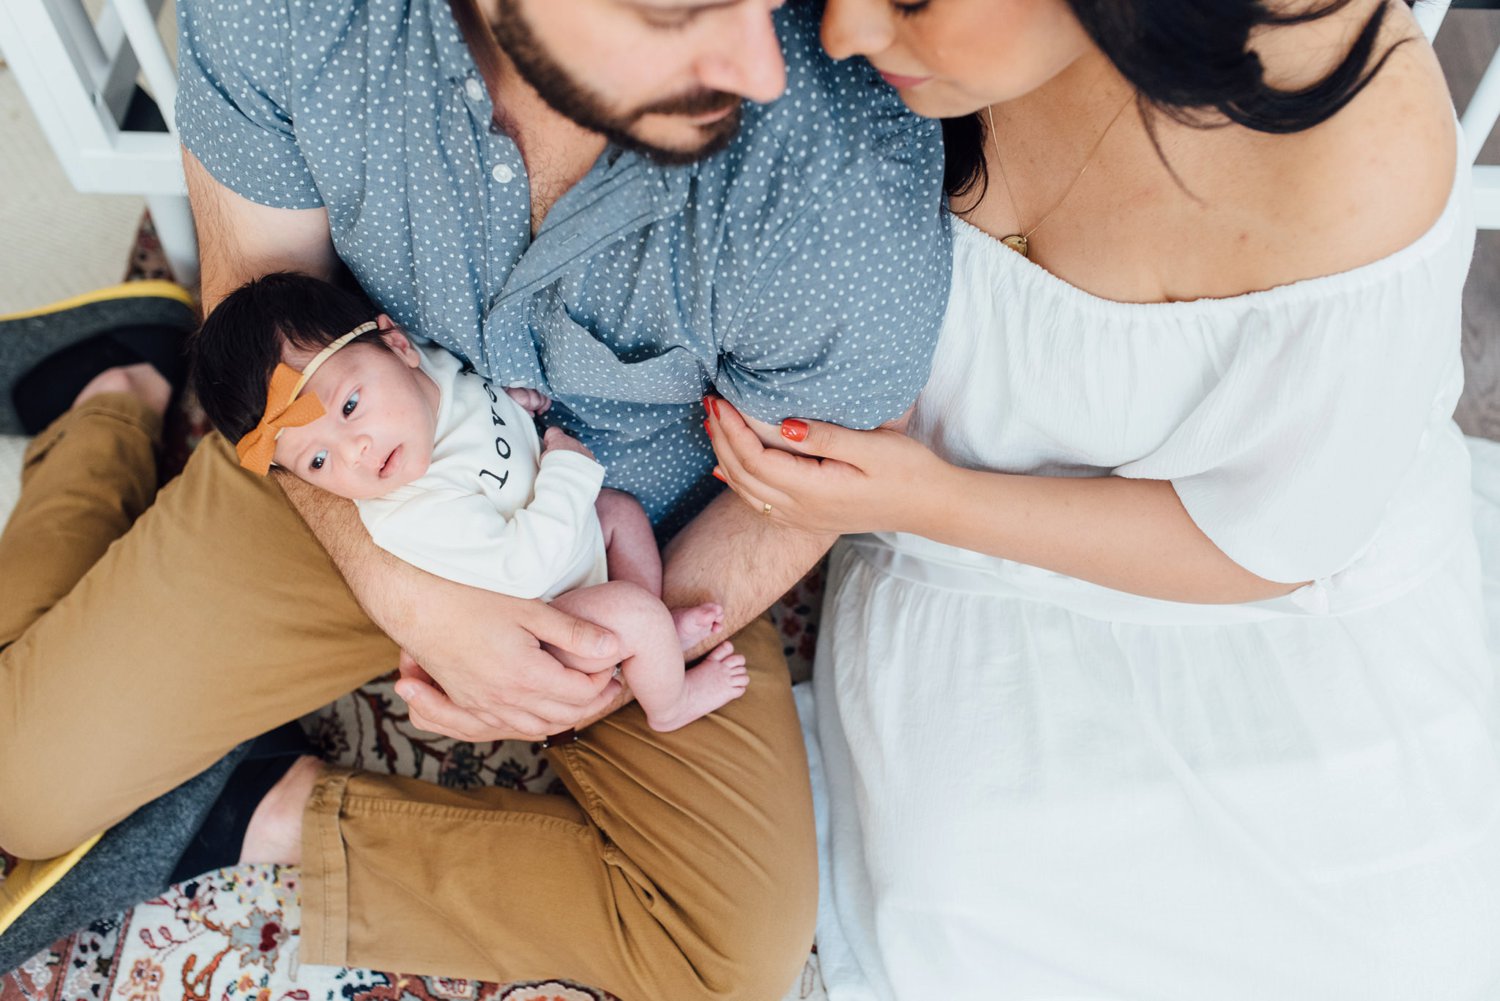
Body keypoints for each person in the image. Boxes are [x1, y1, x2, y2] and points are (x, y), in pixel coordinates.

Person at [0, 0, 951, 996]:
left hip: (636, 542)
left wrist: (603, 654)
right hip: (349, 473)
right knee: (22, 788)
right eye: (679, 11)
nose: (762, 65)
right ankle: (107, 391)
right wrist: (403, 588)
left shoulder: (842, 169)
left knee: (729, 951)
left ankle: (253, 811)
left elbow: (821, 476)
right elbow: (261, 289)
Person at [706, 0, 1500, 997]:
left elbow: (1266, 544)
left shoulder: (1357, 158)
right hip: (959, 567)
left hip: (1254, 587)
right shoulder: (845, 43)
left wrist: (932, 499)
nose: (841, 33)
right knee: (958, 899)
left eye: (910, 1)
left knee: (1396, 956)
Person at [194, 273, 746, 732]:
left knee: (620, 513)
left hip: (572, 545)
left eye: (350, 405)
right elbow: (526, 561)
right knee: (632, 609)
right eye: (317, 461)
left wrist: (513, 402)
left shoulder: (430, 372)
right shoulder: (413, 510)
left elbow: (472, 396)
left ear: (398, 346)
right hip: (545, 620)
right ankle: (669, 704)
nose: (355, 453)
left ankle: (652, 648)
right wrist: (567, 468)